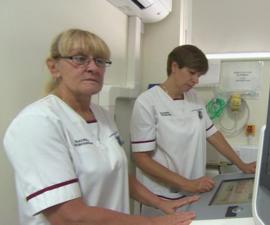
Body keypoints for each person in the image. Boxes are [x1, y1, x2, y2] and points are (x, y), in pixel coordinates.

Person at [3, 29, 198, 225]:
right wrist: (151, 223)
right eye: (79, 59)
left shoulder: (102, 115)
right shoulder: (37, 122)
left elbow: (118, 173)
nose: (92, 68)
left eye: (99, 61)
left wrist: (160, 203)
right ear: (54, 67)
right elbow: (69, 216)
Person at [130, 44, 256, 216]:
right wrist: (185, 183)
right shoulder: (147, 102)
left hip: (194, 191)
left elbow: (213, 135)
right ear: (174, 67)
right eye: (192, 73)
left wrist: (242, 165)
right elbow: (141, 158)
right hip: (162, 198)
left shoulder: (194, 99)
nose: (196, 80)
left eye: (199, 75)